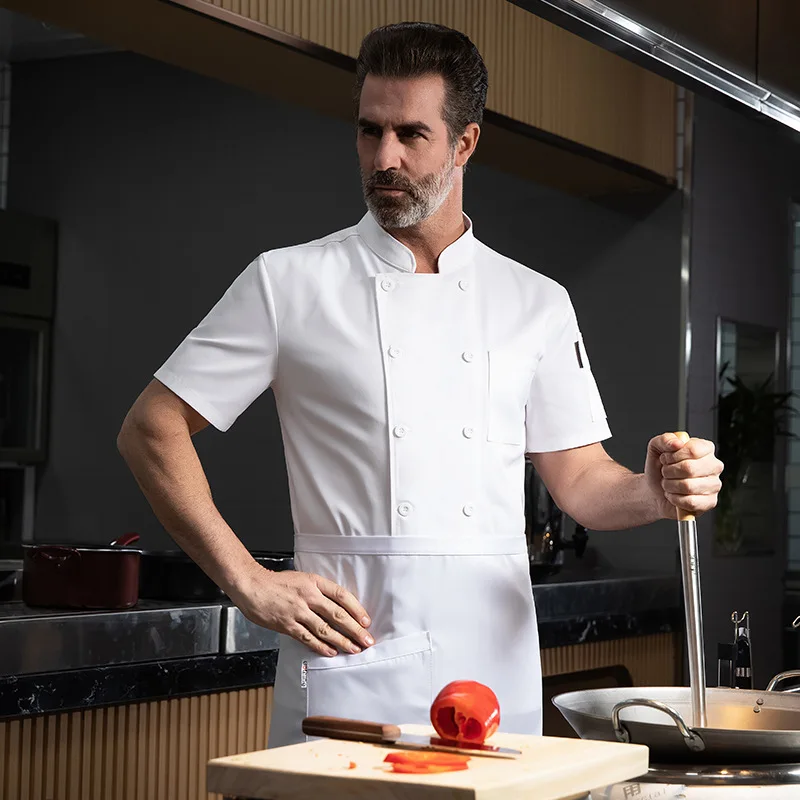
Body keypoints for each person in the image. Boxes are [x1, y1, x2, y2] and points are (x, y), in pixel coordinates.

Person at [117, 22, 724, 747]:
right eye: (370, 132)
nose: (385, 158)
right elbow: (150, 428)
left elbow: (583, 481)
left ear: (465, 143)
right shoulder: (288, 281)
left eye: (411, 134)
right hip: (354, 658)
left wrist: (653, 494)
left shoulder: (535, 301)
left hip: (494, 663)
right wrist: (247, 580)